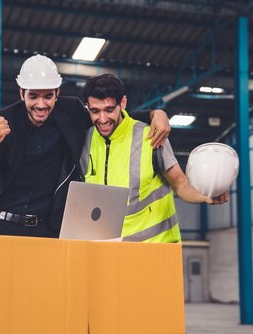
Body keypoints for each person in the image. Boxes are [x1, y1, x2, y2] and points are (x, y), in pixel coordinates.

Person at [0, 55, 172, 238]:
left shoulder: (71, 112)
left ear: (57, 93)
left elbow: (108, 117)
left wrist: (155, 114)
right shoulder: (1, 121)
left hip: (49, 232)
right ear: (22, 93)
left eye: (48, 96)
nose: (41, 104)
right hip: (3, 228)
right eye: (33, 96)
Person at [80, 74, 229, 243]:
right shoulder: (85, 140)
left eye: (109, 110)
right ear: (87, 108)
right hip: (111, 250)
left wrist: (205, 195)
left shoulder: (150, 136)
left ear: (122, 103)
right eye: (95, 111)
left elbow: (180, 183)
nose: (102, 119)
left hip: (155, 249)